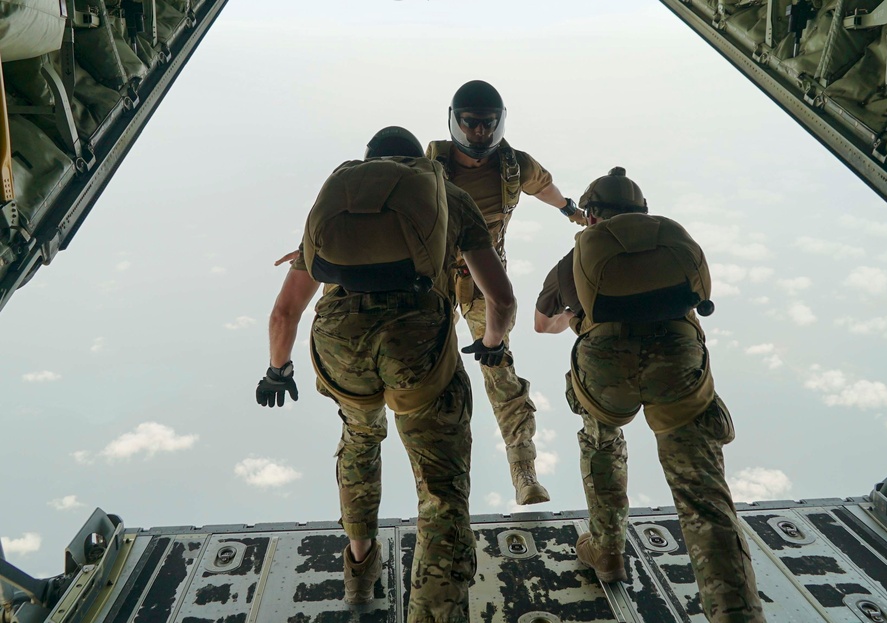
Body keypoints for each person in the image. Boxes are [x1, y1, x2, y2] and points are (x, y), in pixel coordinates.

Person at [257, 126, 515, 622]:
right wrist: (492, 345)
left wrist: (277, 371)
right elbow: (499, 298)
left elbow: (283, 313)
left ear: (369, 160)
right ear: (418, 161)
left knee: (360, 437)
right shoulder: (448, 194)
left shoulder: (338, 198)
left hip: (339, 341)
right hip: (415, 338)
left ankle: (359, 568)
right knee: (440, 490)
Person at [533, 167, 766, 622]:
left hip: (604, 363)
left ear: (591, 215)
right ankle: (735, 612)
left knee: (602, 440)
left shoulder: (575, 257)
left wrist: (576, 316)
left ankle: (607, 550)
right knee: (701, 492)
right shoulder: (667, 240)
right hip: (676, 357)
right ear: (642, 211)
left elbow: (543, 324)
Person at [427, 79, 585, 505]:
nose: (480, 132)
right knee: (426, 372)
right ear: (456, 123)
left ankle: (524, 470)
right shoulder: (430, 163)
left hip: (484, 278)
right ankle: (438, 486)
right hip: (437, 275)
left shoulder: (514, 165)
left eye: (488, 124)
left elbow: (544, 188)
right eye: (472, 123)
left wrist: (569, 209)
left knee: (500, 372)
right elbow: (388, 195)